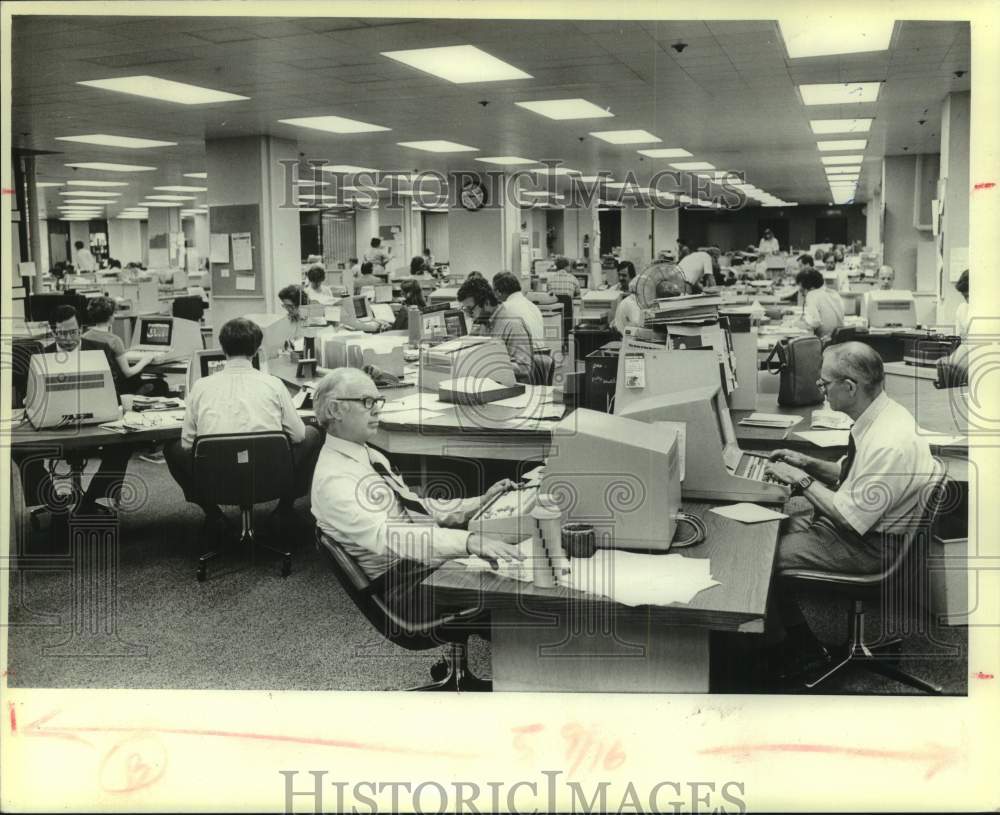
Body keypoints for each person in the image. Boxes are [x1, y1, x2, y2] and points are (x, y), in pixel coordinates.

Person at [763, 342, 938, 676]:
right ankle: (800, 642)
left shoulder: (889, 441)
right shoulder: (881, 416)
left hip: (870, 547)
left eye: (825, 383)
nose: (820, 389)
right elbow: (851, 475)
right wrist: (807, 463)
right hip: (863, 530)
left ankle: (792, 650)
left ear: (850, 387)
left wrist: (799, 479)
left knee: (761, 555)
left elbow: (848, 515)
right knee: (769, 527)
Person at [310, 367, 523, 621]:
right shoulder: (335, 480)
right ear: (334, 410)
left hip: (417, 563)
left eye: (378, 401)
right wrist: (467, 542)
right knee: (515, 593)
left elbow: (414, 507)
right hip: (403, 586)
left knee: (517, 562)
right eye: (367, 402)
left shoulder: (364, 452)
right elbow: (390, 535)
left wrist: (480, 501)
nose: (377, 409)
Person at [164, 318, 322, 537]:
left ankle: (213, 514)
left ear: (221, 347)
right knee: (313, 434)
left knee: (171, 447)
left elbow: (187, 444)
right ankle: (285, 509)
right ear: (257, 349)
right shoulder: (274, 384)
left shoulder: (200, 387)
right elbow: (298, 436)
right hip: (270, 476)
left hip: (215, 478)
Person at [14, 305, 132, 516]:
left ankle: (90, 500)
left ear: (81, 328)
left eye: (73, 332)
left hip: (96, 424)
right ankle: (53, 503)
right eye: (62, 333)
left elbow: (114, 389)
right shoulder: (42, 354)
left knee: (124, 445)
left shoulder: (99, 349)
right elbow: (28, 395)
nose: (69, 338)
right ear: (53, 331)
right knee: (20, 451)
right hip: (53, 428)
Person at [457, 276, 534, 382]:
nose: (470, 315)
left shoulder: (513, 324)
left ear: (487, 303)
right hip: (488, 384)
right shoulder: (483, 322)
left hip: (510, 387)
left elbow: (524, 368)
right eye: (465, 310)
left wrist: (488, 366)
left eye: (471, 309)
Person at [83, 296, 155, 383]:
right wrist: (145, 360)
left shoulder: (84, 337)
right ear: (110, 317)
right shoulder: (115, 341)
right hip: (116, 387)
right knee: (161, 384)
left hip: (96, 384)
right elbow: (128, 372)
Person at [795, 267, 845, 341]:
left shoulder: (812, 295)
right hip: (839, 341)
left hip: (826, 343)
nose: (799, 289)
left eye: (800, 285)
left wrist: (796, 323)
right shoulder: (832, 292)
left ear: (808, 285)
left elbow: (815, 322)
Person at [492, 271, 544, 341]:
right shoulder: (533, 306)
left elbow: (496, 340)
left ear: (498, 292)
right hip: (540, 350)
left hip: (523, 350)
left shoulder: (505, 308)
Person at [953, 269, 970, 339]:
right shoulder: (962, 310)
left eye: (970, 296)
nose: (968, 300)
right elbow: (960, 339)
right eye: (965, 296)